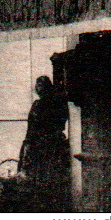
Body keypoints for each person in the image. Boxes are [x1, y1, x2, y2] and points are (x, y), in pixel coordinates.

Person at [18, 75, 71, 210]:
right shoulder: (60, 104)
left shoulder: (38, 105)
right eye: (37, 85)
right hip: (54, 144)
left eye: (40, 85)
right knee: (52, 178)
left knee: (40, 178)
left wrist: (27, 145)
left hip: (41, 146)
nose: (37, 88)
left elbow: (31, 129)